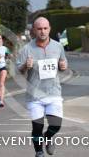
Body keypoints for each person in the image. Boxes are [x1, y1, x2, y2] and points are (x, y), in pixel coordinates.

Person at [16, 17, 67, 157]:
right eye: (39, 29)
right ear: (34, 30)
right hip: (35, 96)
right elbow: (18, 71)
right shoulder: (26, 49)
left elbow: (63, 64)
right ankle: (39, 152)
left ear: (49, 29)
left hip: (54, 93)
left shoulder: (58, 47)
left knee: (56, 126)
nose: (42, 31)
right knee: (37, 127)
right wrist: (25, 65)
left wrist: (63, 66)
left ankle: (48, 137)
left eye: (45, 28)